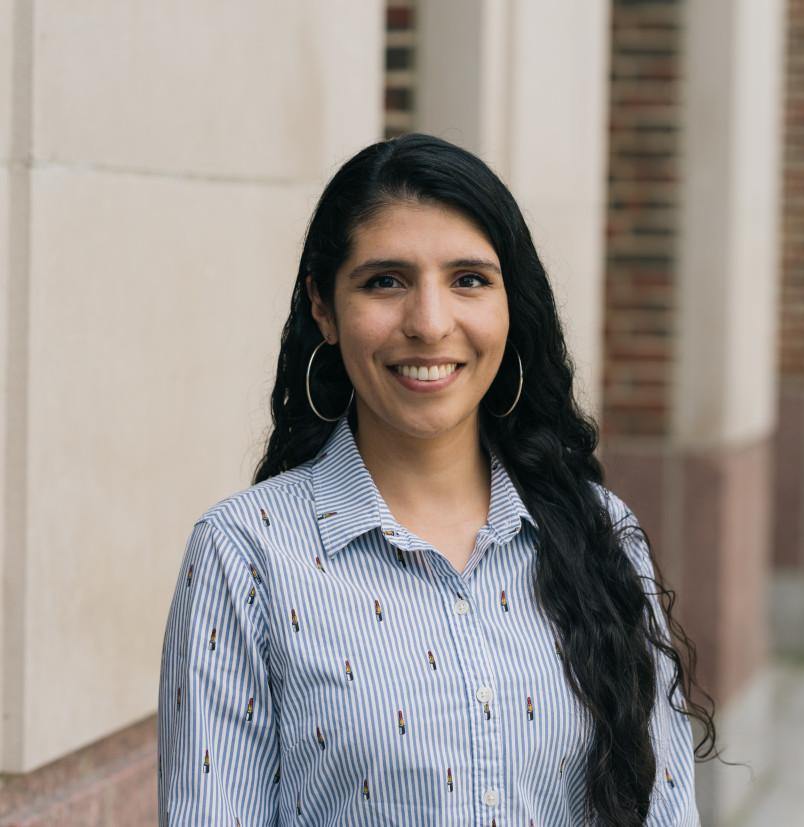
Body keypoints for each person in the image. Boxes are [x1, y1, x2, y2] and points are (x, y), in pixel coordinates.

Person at [157, 132, 716, 826]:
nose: (428, 323)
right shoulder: (245, 554)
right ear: (323, 307)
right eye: (385, 281)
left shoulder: (600, 531)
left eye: (468, 279)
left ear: (511, 306)